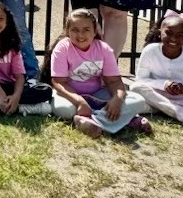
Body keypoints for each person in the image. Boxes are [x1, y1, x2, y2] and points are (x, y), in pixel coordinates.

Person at [47, 8, 151, 138]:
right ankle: (126, 120)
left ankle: (89, 121)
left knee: (138, 100)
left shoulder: (103, 48)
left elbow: (114, 81)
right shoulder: (62, 48)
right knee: (65, 110)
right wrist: (80, 102)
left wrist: (116, 100)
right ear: (68, 31)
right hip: (70, 96)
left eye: (86, 29)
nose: (80, 35)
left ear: (95, 30)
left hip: (97, 95)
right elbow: (59, 82)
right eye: (75, 30)